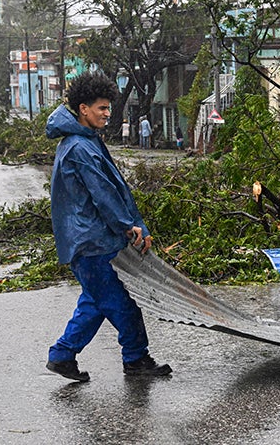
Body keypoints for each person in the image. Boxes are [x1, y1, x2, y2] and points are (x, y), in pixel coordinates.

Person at [43, 71, 172, 382]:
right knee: (121, 304)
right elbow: (103, 194)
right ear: (83, 109)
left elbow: (115, 188)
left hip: (89, 240)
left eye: (107, 108)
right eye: (101, 108)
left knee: (95, 301)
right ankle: (136, 358)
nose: (106, 114)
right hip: (91, 242)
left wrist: (134, 222)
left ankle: (62, 355)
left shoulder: (85, 141)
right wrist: (129, 226)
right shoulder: (80, 147)